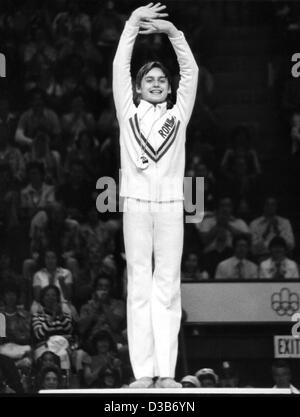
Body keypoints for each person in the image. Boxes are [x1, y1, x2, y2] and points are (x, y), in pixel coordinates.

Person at [113, 3, 198, 388]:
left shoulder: (178, 114)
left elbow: (192, 72)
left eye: (163, 79)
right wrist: (132, 24)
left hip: (168, 206)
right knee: (139, 286)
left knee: (167, 285)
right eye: (150, 79)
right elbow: (119, 65)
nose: (158, 82)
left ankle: (166, 372)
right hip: (134, 205)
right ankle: (143, 373)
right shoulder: (126, 112)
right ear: (137, 87)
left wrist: (173, 34)